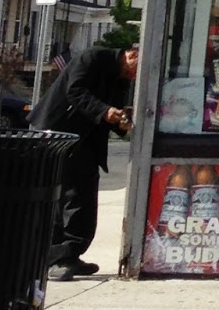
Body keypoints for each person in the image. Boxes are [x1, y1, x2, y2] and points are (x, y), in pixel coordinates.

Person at [29, 44, 138, 280]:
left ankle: (70, 254)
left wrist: (118, 122)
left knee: (83, 196)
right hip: (60, 132)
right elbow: (75, 90)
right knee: (68, 195)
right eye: (135, 69)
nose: (134, 75)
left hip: (86, 140)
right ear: (131, 54)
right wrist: (105, 111)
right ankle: (57, 258)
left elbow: (112, 111)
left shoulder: (120, 78)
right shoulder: (93, 56)